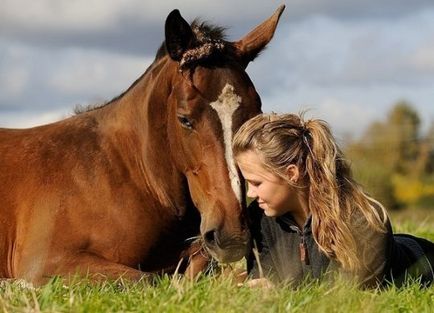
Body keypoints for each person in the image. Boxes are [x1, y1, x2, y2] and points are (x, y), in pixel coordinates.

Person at [232, 113, 434, 288]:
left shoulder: (363, 222)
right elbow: (265, 277)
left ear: (291, 173)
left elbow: (347, 298)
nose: (250, 193)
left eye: (256, 183)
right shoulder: (259, 219)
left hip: (423, 261)